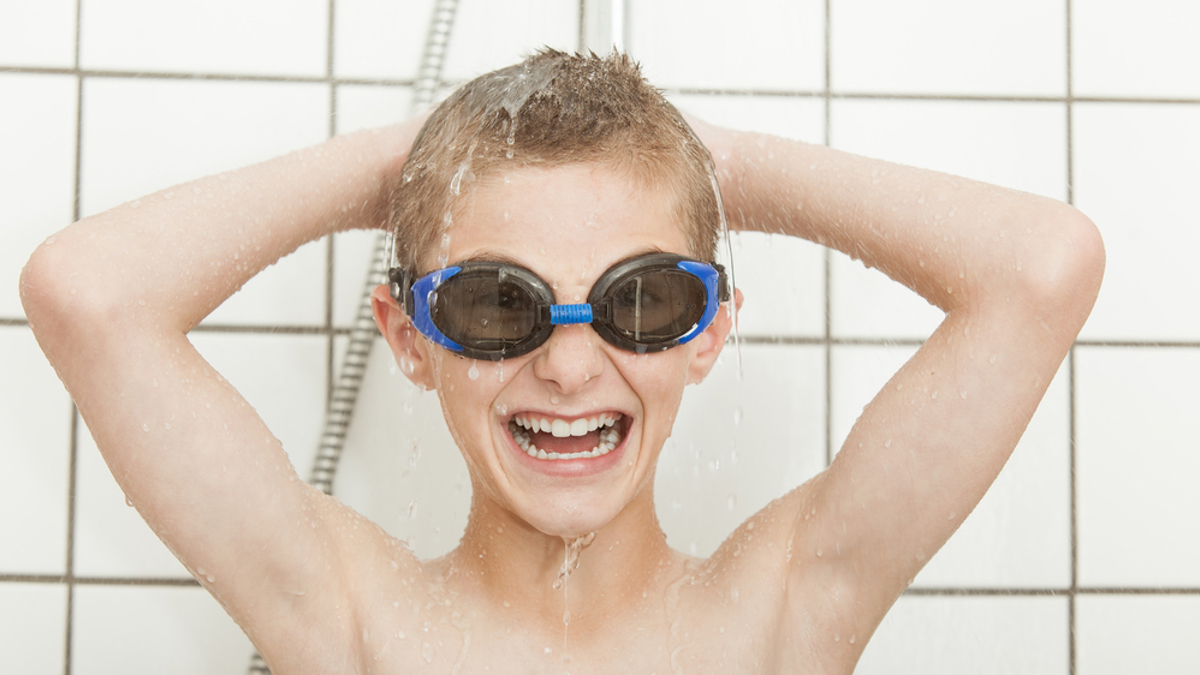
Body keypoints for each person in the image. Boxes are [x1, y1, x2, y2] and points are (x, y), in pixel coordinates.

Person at [20, 50, 1103, 673]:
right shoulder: (351, 619)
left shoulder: (780, 614)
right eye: (499, 303)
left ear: (709, 328)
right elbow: (87, 292)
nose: (572, 368)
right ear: (409, 337)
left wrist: (709, 172)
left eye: (645, 299)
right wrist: (414, 166)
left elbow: (1043, 268)